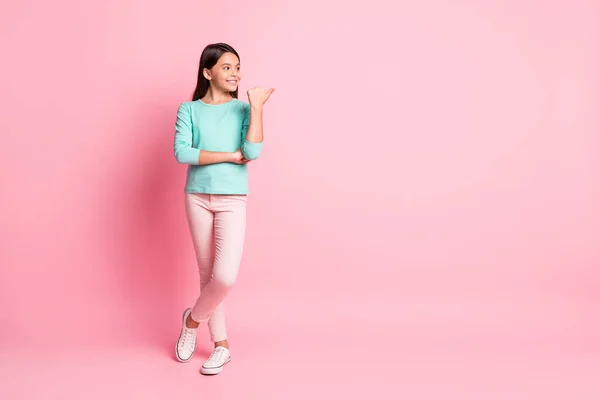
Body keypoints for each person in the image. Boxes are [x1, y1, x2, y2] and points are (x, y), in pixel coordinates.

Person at [172, 42, 274, 375]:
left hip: (232, 199)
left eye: (238, 67)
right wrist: (229, 156)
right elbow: (183, 154)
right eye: (227, 67)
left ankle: (191, 320)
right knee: (207, 277)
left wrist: (256, 107)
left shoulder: (243, 109)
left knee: (224, 277)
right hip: (197, 196)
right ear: (208, 72)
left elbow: (253, 151)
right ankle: (221, 346)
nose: (235, 73)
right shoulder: (188, 109)